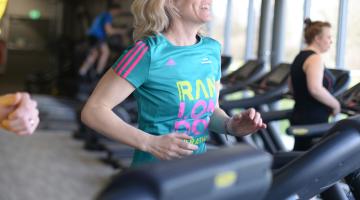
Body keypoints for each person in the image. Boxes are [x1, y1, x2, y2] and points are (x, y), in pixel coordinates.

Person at [81, 0, 267, 167]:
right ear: (170, 3)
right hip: (156, 171)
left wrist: (230, 125)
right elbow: (94, 110)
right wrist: (149, 143)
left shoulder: (212, 50)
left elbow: (209, 111)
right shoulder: (147, 52)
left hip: (195, 169)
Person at [289, 18, 341, 150]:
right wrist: (336, 105)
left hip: (300, 115)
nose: (331, 41)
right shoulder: (315, 58)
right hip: (313, 120)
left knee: (301, 155)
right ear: (317, 38)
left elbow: (291, 85)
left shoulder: (300, 57)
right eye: (328, 37)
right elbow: (316, 89)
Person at [78, 3, 127, 77]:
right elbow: (109, 30)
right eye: (118, 12)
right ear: (114, 10)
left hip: (91, 36)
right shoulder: (108, 15)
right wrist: (121, 31)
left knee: (94, 54)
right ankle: (98, 73)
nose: (117, 14)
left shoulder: (102, 14)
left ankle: (82, 72)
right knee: (105, 52)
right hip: (97, 37)